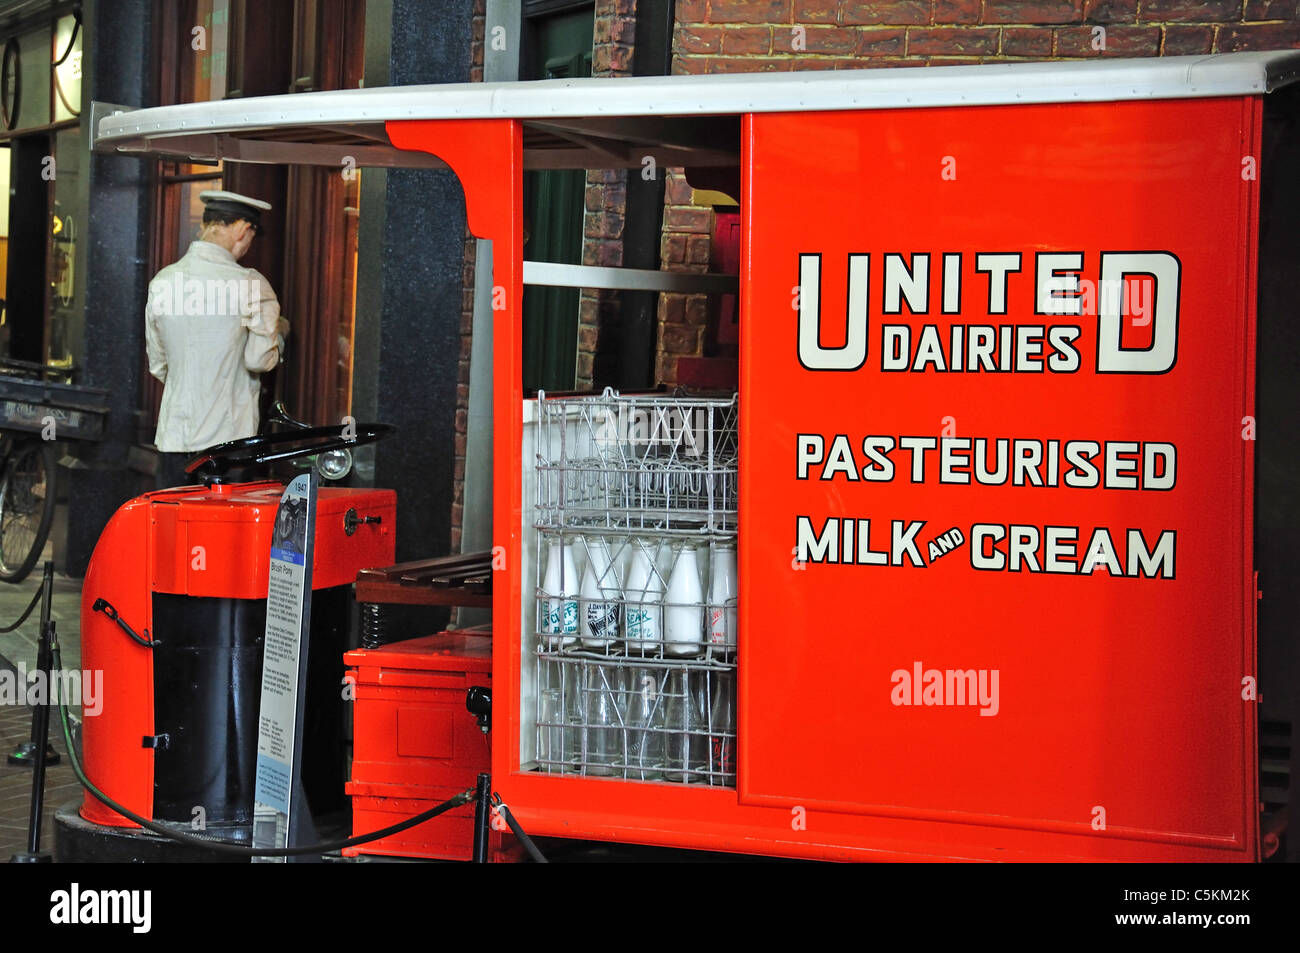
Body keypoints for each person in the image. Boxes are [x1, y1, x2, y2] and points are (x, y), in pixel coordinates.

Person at [145, 190, 289, 488]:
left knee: (174, 527)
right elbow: (258, 360)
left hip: (174, 436)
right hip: (229, 443)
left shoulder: (163, 281)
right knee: (223, 532)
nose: (248, 245)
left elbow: (159, 364)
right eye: (251, 236)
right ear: (241, 229)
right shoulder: (249, 284)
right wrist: (281, 336)